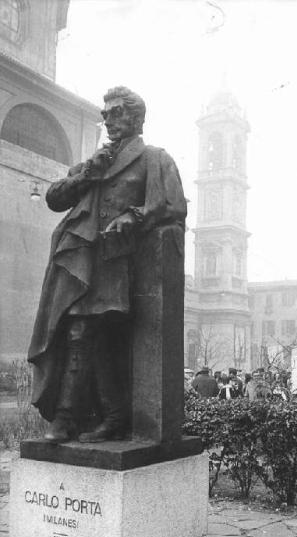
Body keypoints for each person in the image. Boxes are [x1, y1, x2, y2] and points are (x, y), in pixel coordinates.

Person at [28, 86, 186, 443]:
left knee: (86, 334)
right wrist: (87, 174)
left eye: (115, 112)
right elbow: (55, 198)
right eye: (105, 113)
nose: (107, 119)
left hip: (120, 264)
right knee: (87, 337)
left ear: (135, 117)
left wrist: (134, 216)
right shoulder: (95, 161)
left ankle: (69, 418)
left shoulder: (154, 159)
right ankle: (110, 417)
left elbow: (172, 206)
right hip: (80, 263)